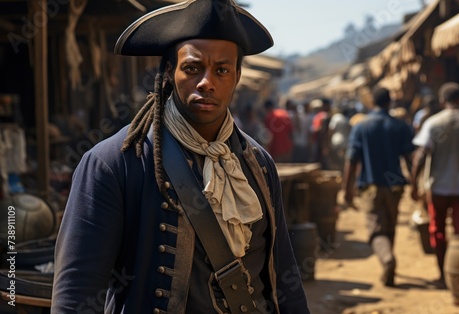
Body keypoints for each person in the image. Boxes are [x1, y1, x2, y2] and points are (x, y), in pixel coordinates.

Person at [51, 1, 310, 313]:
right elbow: (77, 294)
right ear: (169, 72)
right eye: (192, 68)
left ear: (237, 77)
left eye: (222, 70)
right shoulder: (112, 163)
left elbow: (283, 277)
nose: (207, 82)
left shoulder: (260, 164)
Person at [410, 82, 459, 285]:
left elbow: (419, 156)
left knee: (438, 230)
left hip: (438, 187)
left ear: (442, 100)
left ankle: (444, 273)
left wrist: (413, 184)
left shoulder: (433, 123)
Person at [342, 87, 414, 287]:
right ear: (389, 102)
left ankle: (387, 260)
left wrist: (346, 190)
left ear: (372, 102)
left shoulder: (361, 126)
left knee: (376, 229)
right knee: (390, 226)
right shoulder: (401, 126)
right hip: (395, 186)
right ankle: (388, 268)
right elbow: (410, 158)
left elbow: (351, 159)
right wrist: (416, 184)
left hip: (371, 186)